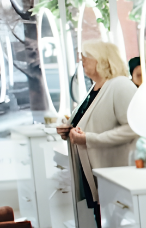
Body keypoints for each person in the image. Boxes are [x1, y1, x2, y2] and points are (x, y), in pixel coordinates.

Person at [57, 40, 137, 209]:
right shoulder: (96, 88)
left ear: (102, 59)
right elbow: (89, 122)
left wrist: (89, 139)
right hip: (92, 168)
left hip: (112, 172)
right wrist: (69, 130)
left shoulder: (121, 85)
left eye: (87, 57)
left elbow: (133, 128)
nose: (82, 61)